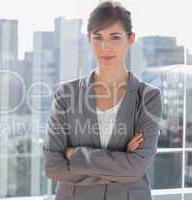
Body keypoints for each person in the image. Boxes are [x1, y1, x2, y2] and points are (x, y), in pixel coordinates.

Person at [43, 1, 163, 200]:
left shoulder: (148, 97)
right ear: (89, 39)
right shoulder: (66, 94)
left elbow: (137, 167)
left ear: (130, 38)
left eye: (115, 37)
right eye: (98, 37)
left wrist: (75, 155)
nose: (105, 46)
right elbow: (53, 167)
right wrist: (121, 161)